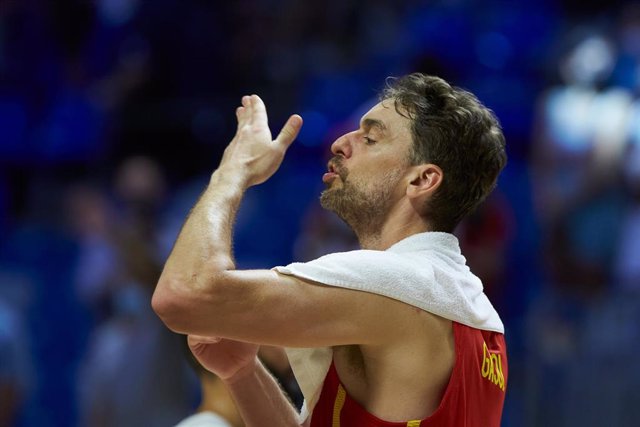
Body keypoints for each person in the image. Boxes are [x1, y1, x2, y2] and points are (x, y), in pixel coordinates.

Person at [152, 73, 508, 426]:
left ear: (421, 180)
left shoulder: (393, 281)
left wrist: (232, 172)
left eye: (369, 138)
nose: (340, 142)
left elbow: (183, 294)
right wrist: (243, 374)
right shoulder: (474, 312)